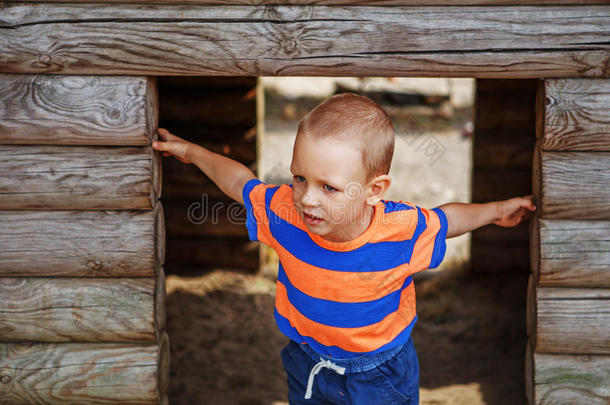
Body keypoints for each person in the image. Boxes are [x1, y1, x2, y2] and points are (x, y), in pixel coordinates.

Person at [152, 92, 536, 405]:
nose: (307, 199)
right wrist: (191, 152)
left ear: (374, 191)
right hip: (307, 364)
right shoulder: (283, 212)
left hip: (379, 376)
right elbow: (240, 181)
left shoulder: (398, 231)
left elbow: (447, 219)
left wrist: (498, 210)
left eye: (328, 187)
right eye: (299, 177)